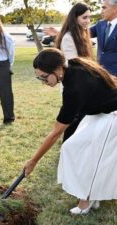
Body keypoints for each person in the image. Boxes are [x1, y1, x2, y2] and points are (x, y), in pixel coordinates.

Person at [24, 48, 117, 215]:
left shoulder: (74, 89)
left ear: (58, 70)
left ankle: (86, 200)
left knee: (94, 158)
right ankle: (91, 194)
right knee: (71, 147)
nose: (43, 81)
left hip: (112, 116)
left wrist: (33, 161)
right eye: (39, 77)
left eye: (44, 77)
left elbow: (55, 133)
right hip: (99, 113)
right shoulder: (71, 66)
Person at [55, 2, 95, 142]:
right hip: (75, 88)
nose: (88, 21)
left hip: (83, 86)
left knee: (79, 123)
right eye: (84, 18)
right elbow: (75, 68)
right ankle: (67, 149)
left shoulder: (81, 35)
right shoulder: (69, 38)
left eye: (89, 17)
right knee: (73, 123)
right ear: (75, 18)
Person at [44, 0, 117, 76]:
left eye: (104, 8)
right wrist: (60, 32)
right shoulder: (101, 24)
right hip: (101, 74)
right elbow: (81, 33)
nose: (101, 11)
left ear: (115, 8)